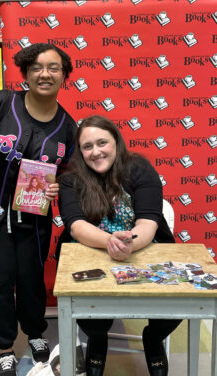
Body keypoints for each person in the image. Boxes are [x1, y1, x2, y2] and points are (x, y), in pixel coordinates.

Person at [0, 43, 77, 376]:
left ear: (64, 76)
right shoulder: (0, 104)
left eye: (54, 68)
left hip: (34, 221)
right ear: (26, 72)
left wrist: (58, 186)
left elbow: (67, 173)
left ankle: (36, 332)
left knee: (31, 281)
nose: (45, 74)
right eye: (37, 67)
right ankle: (5, 347)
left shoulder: (68, 127)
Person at [58, 115, 182, 376]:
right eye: (87, 146)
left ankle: (153, 339)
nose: (96, 151)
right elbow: (75, 225)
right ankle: (97, 339)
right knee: (85, 305)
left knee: (177, 303)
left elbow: (148, 222)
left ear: (116, 141)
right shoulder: (71, 179)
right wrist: (109, 242)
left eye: (102, 142)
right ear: (80, 152)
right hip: (91, 250)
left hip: (141, 248)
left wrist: (128, 244)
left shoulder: (139, 168)